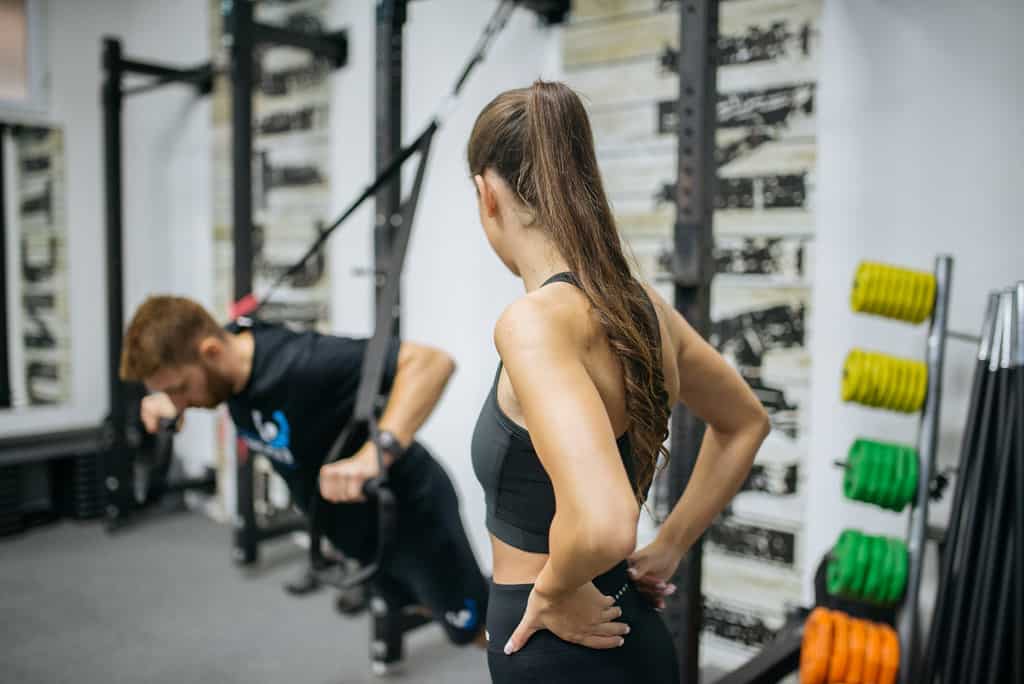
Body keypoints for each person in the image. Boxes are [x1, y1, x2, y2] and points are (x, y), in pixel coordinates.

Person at [467, 80, 771, 683]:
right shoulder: (645, 309)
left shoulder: (533, 323)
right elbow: (745, 423)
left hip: (560, 644)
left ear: (487, 193)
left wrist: (554, 589)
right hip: (632, 631)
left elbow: (605, 523)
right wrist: (670, 546)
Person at [119, 296, 489, 647]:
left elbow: (431, 362)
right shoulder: (223, 364)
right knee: (421, 606)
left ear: (212, 352)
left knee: (477, 632)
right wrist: (176, 404)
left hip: (412, 520)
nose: (178, 399)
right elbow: (196, 378)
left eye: (180, 388)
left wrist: (374, 454)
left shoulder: (302, 363)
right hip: (360, 530)